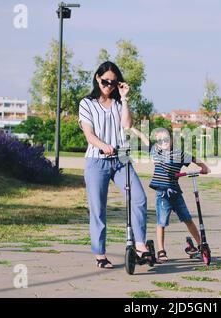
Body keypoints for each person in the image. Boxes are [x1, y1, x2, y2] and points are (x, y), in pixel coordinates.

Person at [78, 61, 151, 269]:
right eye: (105, 81)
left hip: (121, 160)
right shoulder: (86, 103)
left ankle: (139, 245)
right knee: (98, 208)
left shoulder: (119, 104)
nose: (108, 85)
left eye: (113, 82)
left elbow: (127, 125)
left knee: (138, 198)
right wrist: (104, 145)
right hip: (97, 160)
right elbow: (89, 134)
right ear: (96, 78)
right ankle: (100, 254)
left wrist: (125, 98)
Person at [149, 128, 210, 263]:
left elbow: (193, 158)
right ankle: (161, 250)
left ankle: (201, 245)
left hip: (176, 192)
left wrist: (203, 167)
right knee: (162, 222)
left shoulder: (179, 154)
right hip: (162, 193)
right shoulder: (156, 152)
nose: (163, 142)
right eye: (160, 140)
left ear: (172, 140)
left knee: (187, 218)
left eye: (166, 139)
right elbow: (143, 139)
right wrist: (134, 130)